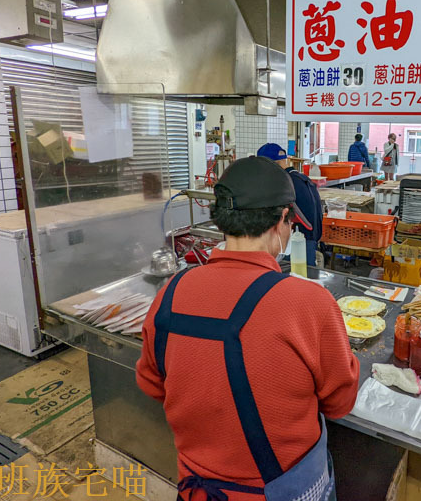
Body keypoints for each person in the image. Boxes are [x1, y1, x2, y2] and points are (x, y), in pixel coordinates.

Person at [136, 157, 359, 501]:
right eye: (291, 224)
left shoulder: (172, 292)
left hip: (197, 491)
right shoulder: (309, 303)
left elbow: (152, 384)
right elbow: (339, 402)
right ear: (282, 220)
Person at [257, 142, 323, 266]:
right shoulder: (302, 178)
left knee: (295, 279)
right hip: (310, 239)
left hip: (296, 243)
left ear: (271, 165)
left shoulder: (285, 183)